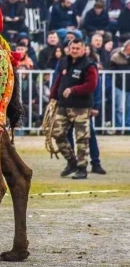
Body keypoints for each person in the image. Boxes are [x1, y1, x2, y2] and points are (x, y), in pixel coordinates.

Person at [49, 39, 99, 179]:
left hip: (81, 107)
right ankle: (72, 161)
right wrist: (53, 95)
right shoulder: (64, 61)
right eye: (73, 48)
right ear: (68, 49)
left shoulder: (89, 65)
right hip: (63, 105)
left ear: (84, 49)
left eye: (78, 48)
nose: (75, 51)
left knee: (82, 138)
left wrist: (73, 90)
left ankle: (82, 168)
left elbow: (91, 85)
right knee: (56, 133)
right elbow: (59, 79)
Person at [109, 40, 130, 130]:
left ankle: (127, 126)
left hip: (129, 85)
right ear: (127, 47)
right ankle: (119, 126)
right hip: (119, 85)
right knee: (119, 107)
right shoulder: (115, 56)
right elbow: (111, 70)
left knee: (129, 107)